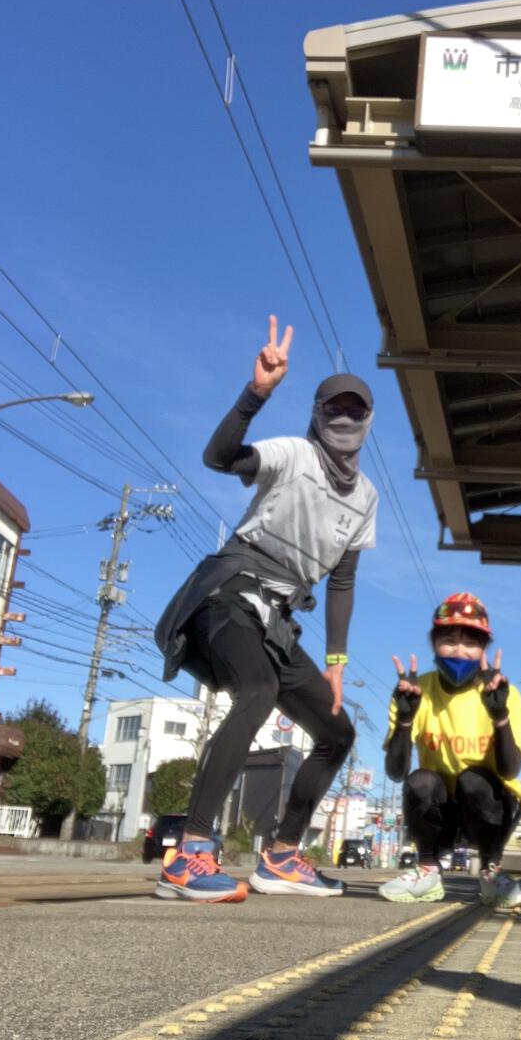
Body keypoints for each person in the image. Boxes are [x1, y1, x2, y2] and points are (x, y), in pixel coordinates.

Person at [154, 316, 377, 903]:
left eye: (355, 410)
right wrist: (256, 393)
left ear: (368, 420)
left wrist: (336, 662)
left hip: (275, 620)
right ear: (317, 414)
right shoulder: (293, 454)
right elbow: (218, 456)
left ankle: (281, 856)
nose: (344, 418)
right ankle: (189, 854)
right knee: (257, 691)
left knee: (337, 732)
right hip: (228, 593)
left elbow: (343, 579)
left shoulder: (367, 498)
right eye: (333, 408)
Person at [378, 592, 521, 910]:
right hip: (442, 808)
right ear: (433, 644)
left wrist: (500, 717)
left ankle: (491, 870)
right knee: (420, 781)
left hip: (491, 806)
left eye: (471, 643)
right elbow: (396, 772)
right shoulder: (415, 692)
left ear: (484, 649)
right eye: (449, 640)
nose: (459, 650)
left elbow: (510, 770)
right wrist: (405, 720)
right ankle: (428, 870)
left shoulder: (504, 693)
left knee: (474, 780)